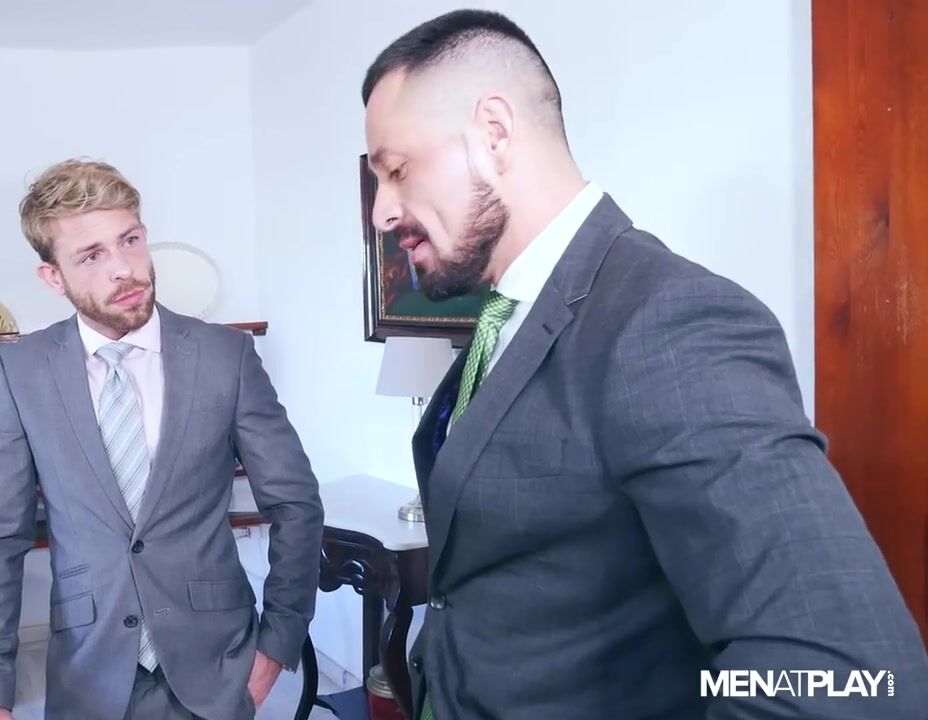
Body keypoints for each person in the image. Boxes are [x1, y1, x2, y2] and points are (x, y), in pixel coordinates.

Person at [361, 9, 928, 719]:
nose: (382, 212)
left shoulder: (668, 322)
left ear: (495, 133)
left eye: (397, 170)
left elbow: (848, 680)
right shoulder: (505, 318)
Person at [0, 159, 323, 720]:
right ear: (53, 277)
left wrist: (278, 642)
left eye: (129, 240)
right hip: (87, 674)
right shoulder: (21, 372)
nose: (123, 270)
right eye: (91, 256)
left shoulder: (226, 357)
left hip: (219, 669)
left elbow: (295, 503)